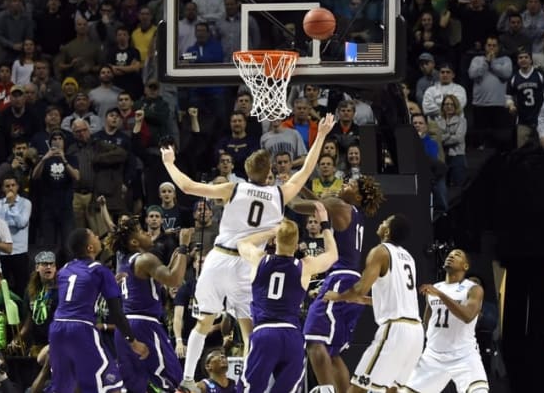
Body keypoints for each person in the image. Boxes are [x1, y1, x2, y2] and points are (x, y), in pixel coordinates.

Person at [163, 114, 336, 389]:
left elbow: (187, 186)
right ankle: (247, 386)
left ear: (246, 170)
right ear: (269, 172)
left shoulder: (234, 187)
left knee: (204, 322)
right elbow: (305, 170)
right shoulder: (280, 194)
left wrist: (169, 163)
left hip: (219, 257)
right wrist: (322, 135)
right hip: (248, 263)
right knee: (248, 332)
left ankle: (186, 380)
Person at [289, 175, 385, 393]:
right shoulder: (353, 212)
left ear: (358, 195)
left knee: (313, 340)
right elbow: (319, 204)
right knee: (331, 352)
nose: (344, 184)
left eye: (349, 184)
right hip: (352, 282)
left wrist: (286, 187)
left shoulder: (337, 204)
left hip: (340, 280)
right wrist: (301, 185)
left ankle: (325, 390)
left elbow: (296, 205)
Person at [235, 202, 338, 393]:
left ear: (276, 239)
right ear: (297, 241)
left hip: (265, 333)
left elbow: (242, 243)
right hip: (292, 336)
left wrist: (271, 231)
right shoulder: (305, 266)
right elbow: (332, 255)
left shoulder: (259, 259)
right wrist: (324, 224)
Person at [323, 214, 423, 392]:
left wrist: (338, 297)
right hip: (415, 332)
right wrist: (360, 300)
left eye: (385, 221)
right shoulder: (409, 257)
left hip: (395, 330)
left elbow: (361, 288)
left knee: (358, 387)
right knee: (392, 389)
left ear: (387, 230)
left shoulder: (380, 251)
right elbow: (392, 298)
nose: (381, 222)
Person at [47, 228, 149, 393]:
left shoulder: (64, 269)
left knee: (64, 387)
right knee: (112, 385)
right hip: (81, 328)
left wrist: (106, 284)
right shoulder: (100, 270)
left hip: (57, 327)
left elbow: (79, 293)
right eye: (94, 236)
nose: (98, 237)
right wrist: (133, 341)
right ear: (90, 248)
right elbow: (116, 313)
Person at [106, 217, 190, 392]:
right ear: (134, 241)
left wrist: (173, 261)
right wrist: (183, 246)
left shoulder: (123, 259)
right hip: (144, 325)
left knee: (134, 386)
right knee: (172, 380)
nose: (147, 232)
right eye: (142, 230)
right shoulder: (145, 259)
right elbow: (174, 280)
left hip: (124, 329)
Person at [401, 249, 489, 393]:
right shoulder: (435, 289)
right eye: (449, 255)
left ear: (465, 266)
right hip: (433, 356)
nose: (451, 256)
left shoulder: (473, 289)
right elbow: (426, 323)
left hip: (464, 356)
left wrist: (441, 295)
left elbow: (468, 316)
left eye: (457, 255)